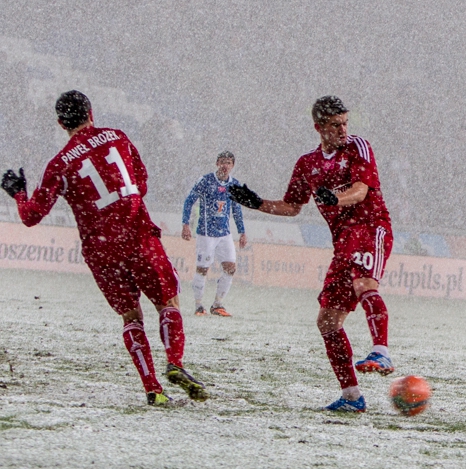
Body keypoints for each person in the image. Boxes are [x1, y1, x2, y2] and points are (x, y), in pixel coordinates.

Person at [1, 90, 209, 407]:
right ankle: (175, 362)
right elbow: (142, 182)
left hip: (101, 250)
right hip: (137, 233)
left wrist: (18, 193)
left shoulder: (59, 164)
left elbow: (31, 216)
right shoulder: (117, 137)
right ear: (91, 112)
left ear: (60, 123)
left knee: (130, 317)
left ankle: (153, 389)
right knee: (167, 301)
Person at [229, 95, 394, 412]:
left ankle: (381, 350)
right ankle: (352, 398)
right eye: (336, 124)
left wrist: (334, 197)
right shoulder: (308, 164)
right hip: (342, 242)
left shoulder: (357, 146)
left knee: (364, 284)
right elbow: (292, 206)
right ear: (319, 127)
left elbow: (361, 190)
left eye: (345, 122)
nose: (343, 129)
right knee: (328, 321)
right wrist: (256, 202)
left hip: (370, 227)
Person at [182, 151, 247, 317]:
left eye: (229, 163)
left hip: (224, 234)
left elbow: (237, 209)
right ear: (218, 162)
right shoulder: (205, 181)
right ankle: (198, 306)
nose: (226, 166)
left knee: (230, 268)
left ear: (232, 166)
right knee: (203, 268)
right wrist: (185, 224)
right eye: (223, 162)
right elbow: (189, 201)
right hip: (206, 233)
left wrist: (242, 231)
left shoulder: (234, 184)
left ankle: (217, 305)